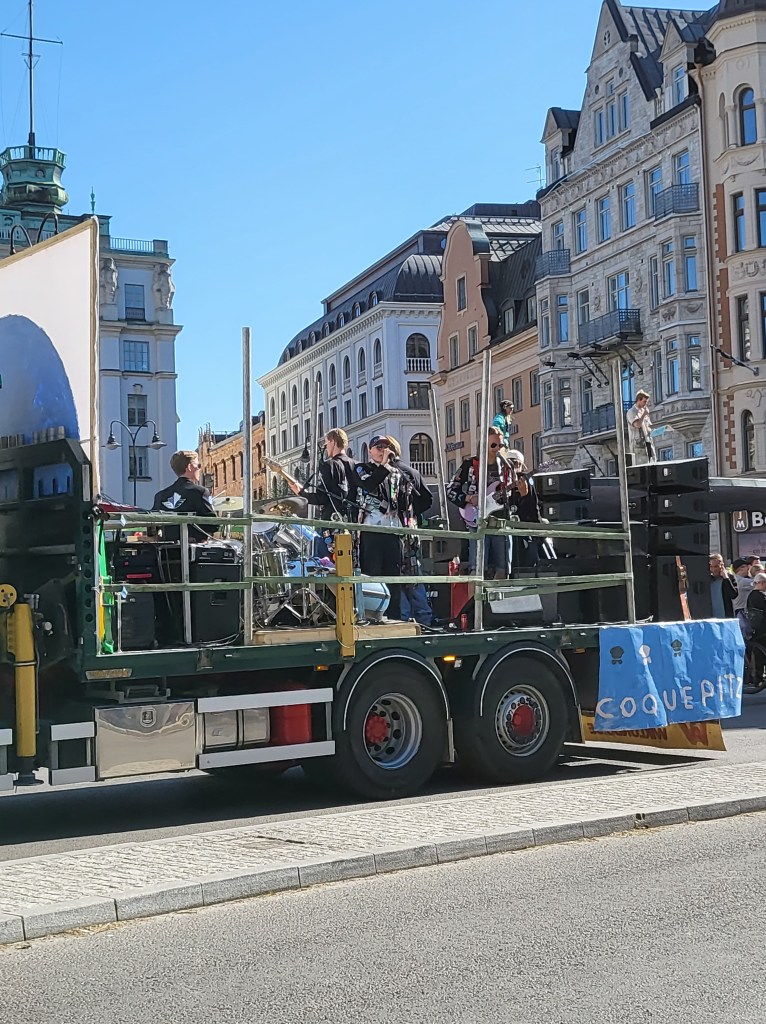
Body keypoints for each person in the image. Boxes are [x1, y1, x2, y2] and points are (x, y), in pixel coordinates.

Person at [355, 434, 430, 621]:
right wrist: (384, 466)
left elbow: (421, 498)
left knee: (394, 578)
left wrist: (410, 513)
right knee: (372, 575)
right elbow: (368, 484)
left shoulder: (399, 472)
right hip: (371, 531)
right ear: (370, 451)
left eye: (386, 447)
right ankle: (371, 616)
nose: (382, 450)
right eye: (378, 447)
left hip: (394, 531)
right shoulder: (362, 468)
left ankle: (395, 617)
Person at [447, 426, 511, 578]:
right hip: (477, 519)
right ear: (483, 444)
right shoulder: (470, 465)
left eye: (500, 445)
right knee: (477, 568)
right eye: (493, 445)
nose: (497, 448)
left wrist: (520, 490)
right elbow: (451, 490)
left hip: (500, 520)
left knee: (502, 567)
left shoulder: (505, 466)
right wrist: (469, 498)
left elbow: (510, 493)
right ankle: (475, 592)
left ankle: (499, 591)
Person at [288, 428, 357, 556]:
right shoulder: (355, 465)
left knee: (328, 560)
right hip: (352, 523)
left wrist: (301, 493)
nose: (325, 448)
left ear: (333, 442)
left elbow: (322, 497)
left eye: (326, 444)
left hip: (332, 523)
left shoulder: (330, 465)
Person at [152, 450, 217, 541]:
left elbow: (152, 525)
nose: (199, 469)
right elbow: (213, 524)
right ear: (189, 467)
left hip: (166, 547)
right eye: (198, 466)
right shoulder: (200, 492)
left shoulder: (160, 496)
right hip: (193, 546)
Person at [626, 390, 656, 465]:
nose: (645, 404)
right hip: (638, 446)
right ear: (638, 400)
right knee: (642, 467)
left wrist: (654, 431)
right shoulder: (631, 412)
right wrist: (644, 414)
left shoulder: (643, 411)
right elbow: (637, 425)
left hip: (648, 442)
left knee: (652, 464)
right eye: (644, 401)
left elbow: (648, 426)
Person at [709, 553, 737, 618]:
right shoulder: (707, 579)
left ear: (722, 565)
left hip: (725, 615)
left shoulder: (729, 578)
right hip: (710, 615)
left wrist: (726, 578)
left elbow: (734, 595)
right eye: (711, 566)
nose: (713, 569)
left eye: (716, 566)